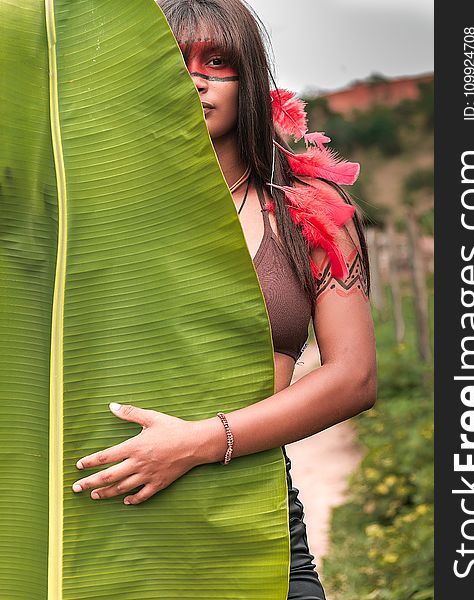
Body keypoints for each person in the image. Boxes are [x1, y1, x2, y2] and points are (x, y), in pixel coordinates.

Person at [71, 1, 377, 598]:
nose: (197, 79)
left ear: (252, 79)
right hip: (106, 514)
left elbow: (354, 376)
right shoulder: (91, 208)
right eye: (174, 62)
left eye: (219, 62)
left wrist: (196, 443)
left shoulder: (306, 213)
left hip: (251, 514)